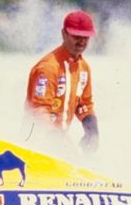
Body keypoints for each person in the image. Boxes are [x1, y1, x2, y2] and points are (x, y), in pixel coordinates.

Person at [25, 10, 100, 153]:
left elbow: (84, 104)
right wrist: (57, 141)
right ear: (64, 34)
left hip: (59, 140)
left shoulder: (83, 68)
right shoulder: (49, 67)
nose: (82, 41)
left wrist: (92, 131)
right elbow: (39, 110)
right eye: (76, 36)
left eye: (86, 37)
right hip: (35, 142)